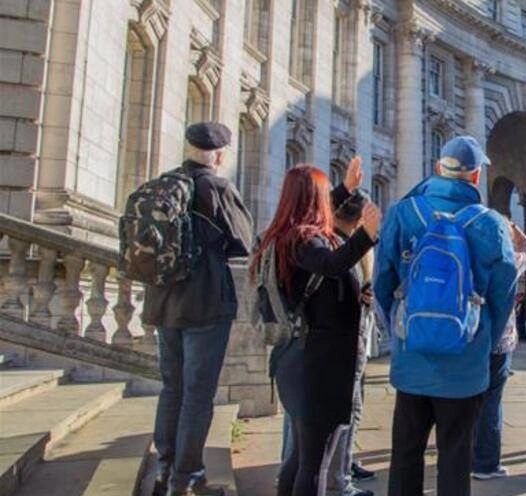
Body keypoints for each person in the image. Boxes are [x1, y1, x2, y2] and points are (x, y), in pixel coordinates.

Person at [375, 135, 518, 496]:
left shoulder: (404, 213)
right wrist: (484, 340)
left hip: (412, 357)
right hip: (466, 361)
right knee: (456, 459)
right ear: (475, 177)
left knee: (405, 454)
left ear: (438, 168)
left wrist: (401, 329)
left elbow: (382, 282)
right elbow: (504, 296)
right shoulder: (492, 224)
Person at [252, 159, 381, 496]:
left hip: (295, 359)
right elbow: (331, 263)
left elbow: (323, 254)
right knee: (314, 465)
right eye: (325, 196)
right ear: (313, 201)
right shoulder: (305, 241)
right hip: (314, 366)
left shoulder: (283, 236)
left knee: (300, 459)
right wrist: (366, 235)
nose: (329, 204)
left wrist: (345, 189)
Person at [143, 122, 254, 496]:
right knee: (197, 393)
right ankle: (186, 477)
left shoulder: (163, 184)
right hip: (205, 303)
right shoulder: (215, 187)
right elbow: (243, 240)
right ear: (219, 155)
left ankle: (164, 469)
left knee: (172, 387)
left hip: (163, 300)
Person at [323, 184, 378, 496]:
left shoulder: (328, 243)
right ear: (360, 222)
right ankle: (339, 478)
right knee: (348, 408)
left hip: (344, 340)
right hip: (346, 341)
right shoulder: (345, 249)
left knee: (347, 407)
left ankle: (343, 467)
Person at [472, 222, 526, 480]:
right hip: (501, 340)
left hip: (471, 336)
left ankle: (466, 455)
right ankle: (486, 463)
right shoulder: (511, 261)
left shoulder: (472, 257)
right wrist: (512, 227)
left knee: (470, 398)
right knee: (491, 402)